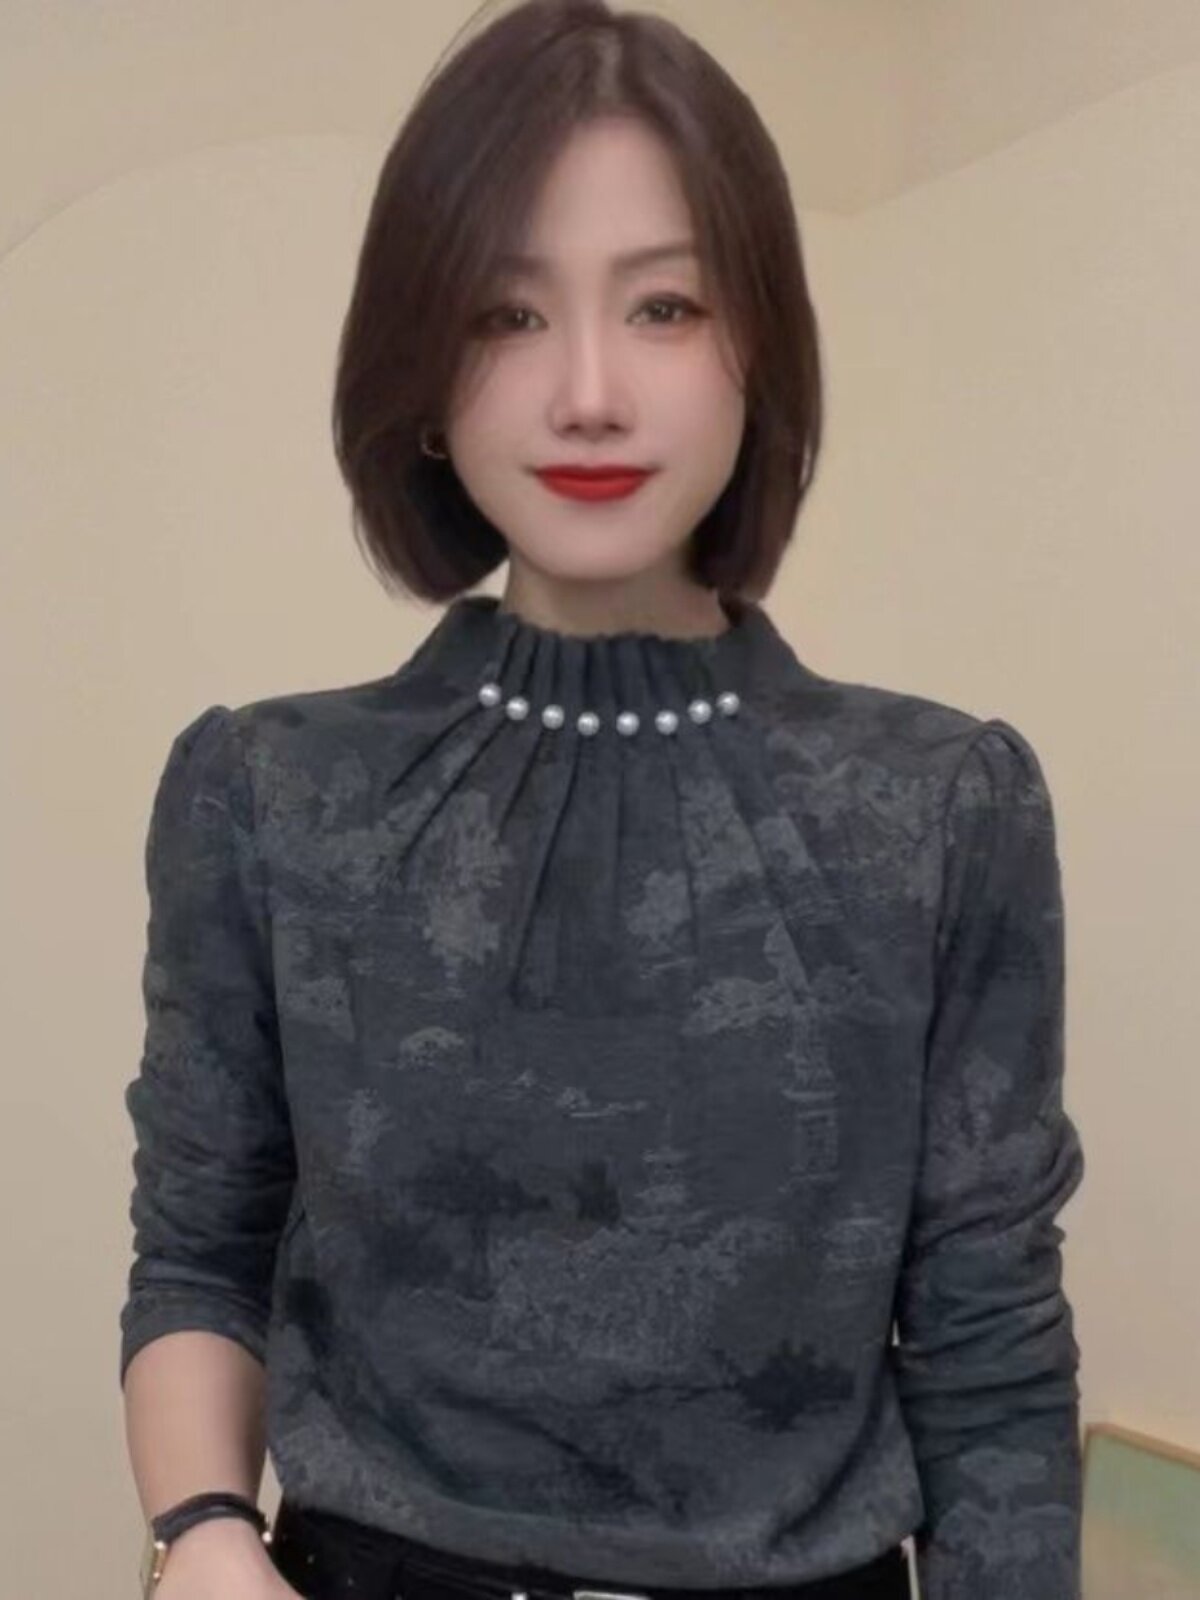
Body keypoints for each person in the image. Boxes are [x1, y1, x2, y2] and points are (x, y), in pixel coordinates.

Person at [118, 2, 1086, 1598]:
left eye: (664, 306)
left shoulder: (942, 806)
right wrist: (204, 1537)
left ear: (759, 349)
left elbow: (990, 1350)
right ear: (421, 369)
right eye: (506, 314)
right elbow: (200, 1251)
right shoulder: (267, 792)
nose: (586, 392)